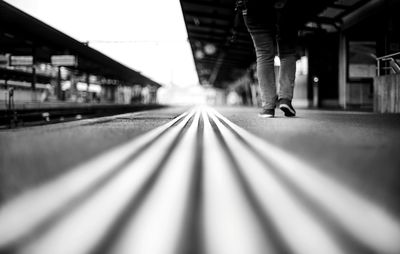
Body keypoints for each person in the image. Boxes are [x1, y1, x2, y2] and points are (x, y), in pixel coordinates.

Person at [239, 0, 297, 117]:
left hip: (254, 8)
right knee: (287, 52)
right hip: (286, 7)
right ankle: (285, 99)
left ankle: (268, 107)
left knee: (263, 55)